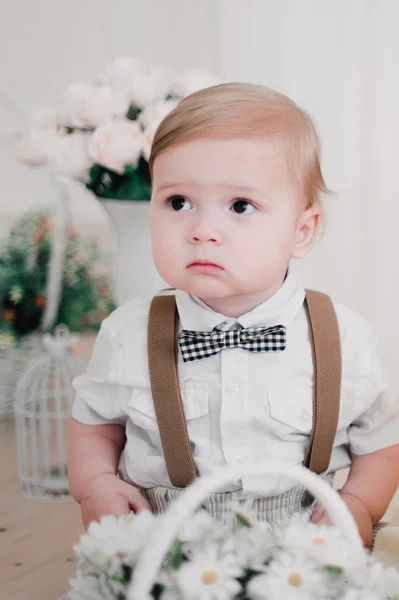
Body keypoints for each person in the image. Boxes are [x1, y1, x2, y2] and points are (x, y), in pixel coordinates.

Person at [67, 83, 399, 548]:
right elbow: (94, 423)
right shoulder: (126, 334)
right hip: (161, 543)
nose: (203, 231)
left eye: (241, 206)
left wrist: (360, 504)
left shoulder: (344, 339)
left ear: (302, 231)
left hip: (299, 550)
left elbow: (379, 445)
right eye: (177, 202)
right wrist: (96, 485)